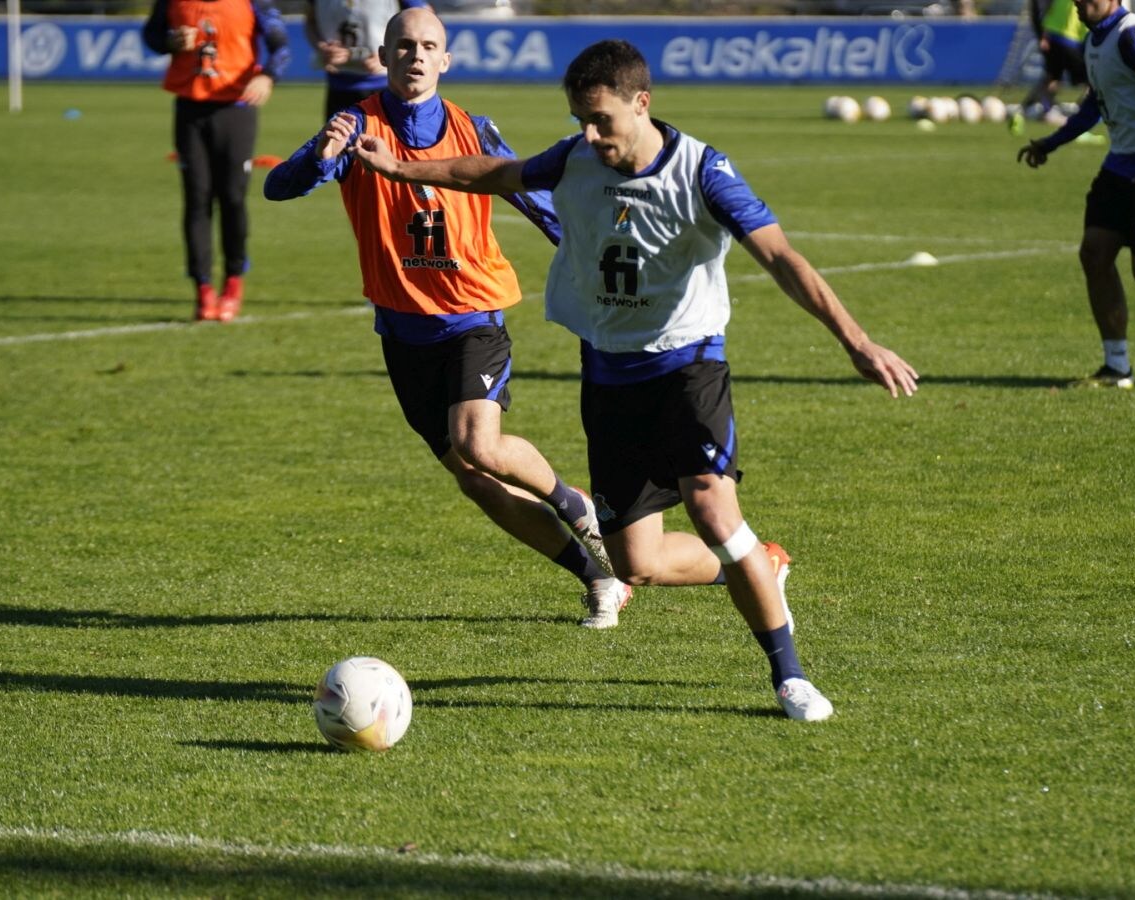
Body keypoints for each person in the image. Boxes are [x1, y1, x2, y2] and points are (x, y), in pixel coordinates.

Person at [353, 39, 920, 721]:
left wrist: (856, 342)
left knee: (713, 510)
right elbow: (493, 172)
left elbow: (782, 258)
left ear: (640, 103)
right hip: (609, 377)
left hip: (687, 366)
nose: (589, 137)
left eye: (601, 121)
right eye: (579, 121)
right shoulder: (574, 158)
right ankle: (759, 566)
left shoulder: (703, 172)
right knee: (635, 564)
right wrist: (403, 168)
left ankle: (788, 676)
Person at [264, 8, 630, 627]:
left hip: (472, 317)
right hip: (403, 333)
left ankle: (572, 501)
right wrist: (319, 156)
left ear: (445, 60)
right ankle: (597, 577)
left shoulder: (474, 130)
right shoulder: (353, 127)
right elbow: (279, 187)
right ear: (382, 54)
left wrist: (592, 265)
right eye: (404, 45)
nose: (415, 55)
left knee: (476, 442)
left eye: (429, 46)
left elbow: (540, 203)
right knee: (478, 481)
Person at [1018, 0, 1135, 388]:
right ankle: (1117, 368)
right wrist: (1051, 143)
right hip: (1117, 167)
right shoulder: (1096, 40)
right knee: (1094, 252)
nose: (1076, 1)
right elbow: (1095, 104)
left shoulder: (1133, 38)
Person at [143, 0, 290, 322]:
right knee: (197, 198)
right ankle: (203, 288)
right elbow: (151, 36)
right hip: (190, 109)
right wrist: (170, 41)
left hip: (236, 109)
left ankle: (233, 281)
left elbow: (280, 43)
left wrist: (268, 76)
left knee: (233, 197)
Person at [306, 0, 428, 123]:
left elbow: (427, 22)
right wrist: (321, 46)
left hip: (386, 85)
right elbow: (311, 20)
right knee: (337, 140)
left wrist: (392, 53)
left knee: (388, 141)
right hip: (339, 85)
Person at [1010, 0, 1091, 133]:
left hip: (1053, 33)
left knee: (1053, 76)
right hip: (1069, 38)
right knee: (1091, 81)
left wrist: (1042, 33)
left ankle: (1035, 109)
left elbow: (1041, 7)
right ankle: (1083, 117)